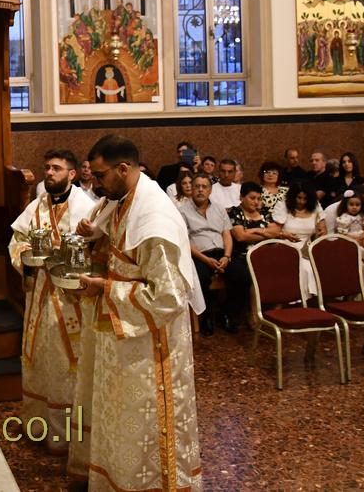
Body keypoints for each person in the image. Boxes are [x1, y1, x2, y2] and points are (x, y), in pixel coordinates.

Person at [68, 135, 203, 491]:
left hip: (150, 343)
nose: (96, 183)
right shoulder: (123, 200)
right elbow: (118, 252)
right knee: (117, 413)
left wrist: (105, 288)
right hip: (122, 332)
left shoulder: (154, 219)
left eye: (100, 175)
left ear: (124, 169)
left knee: (142, 421)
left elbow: (169, 297)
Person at [8, 150, 95, 454]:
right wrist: (26, 257)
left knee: (67, 364)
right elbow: (17, 240)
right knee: (40, 357)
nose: (49, 173)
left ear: (72, 174)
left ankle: (68, 437)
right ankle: (38, 426)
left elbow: (97, 248)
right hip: (40, 295)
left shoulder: (87, 208)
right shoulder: (36, 206)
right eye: (47, 167)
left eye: (56, 168)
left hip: (71, 300)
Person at [179, 174, 237, 335]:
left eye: (204, 187)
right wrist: (205, 260)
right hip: (199, 255)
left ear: (210, 190)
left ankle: (227, 313)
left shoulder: (219, 208)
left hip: (222, 253)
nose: (200, 190)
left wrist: (226, 256)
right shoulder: (182, 211)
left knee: (243, 276)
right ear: (191, 189)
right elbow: (185, 241)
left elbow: (227, 235)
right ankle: (207, 317)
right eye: (197, 186)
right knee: (201, 278)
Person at [227, 182, 275, 323]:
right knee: (253, 271)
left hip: (266, 252)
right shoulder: (235, 212)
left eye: (259, 199)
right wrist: (265, 233)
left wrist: (254, 230)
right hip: (243, 255)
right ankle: (254, 314)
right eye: (252, 198)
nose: (256, 202)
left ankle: (276, 311)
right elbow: (240, 236)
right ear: (242, 197)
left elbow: (276, 232)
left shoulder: (264, 212)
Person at [272, 180, 326, 299]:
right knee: (305, 268)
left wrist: (320, 234)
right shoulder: (283, 205)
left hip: (308, 248)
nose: (301, 202)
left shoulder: (315, 206)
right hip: (286, 246)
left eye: (305, 199)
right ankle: (298, 300)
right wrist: (284, 234)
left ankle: (315, 300)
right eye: (299, 198)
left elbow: (323, 230)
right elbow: (274, 231)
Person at [335, 189, 364, 275]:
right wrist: (356, 238)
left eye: (357, 205)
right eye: (351, 204)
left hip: (362, 237)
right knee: (358, 250)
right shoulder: (344, 218)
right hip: (351, 239)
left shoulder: (361, 216)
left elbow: (363, 226)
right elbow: (341, 233)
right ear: (346, 205)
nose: (354, 207)